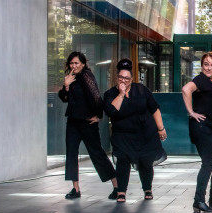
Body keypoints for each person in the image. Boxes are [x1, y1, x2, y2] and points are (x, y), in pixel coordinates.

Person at [103, 59, 167, 203]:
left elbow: (154, 109)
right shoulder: (110, 94)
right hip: (122, 135)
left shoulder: (141, 90)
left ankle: (147, 189)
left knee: (146, 162)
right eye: (121, 77)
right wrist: (121, 94)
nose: (123, 80)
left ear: (132, 79)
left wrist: (161, 128)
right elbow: (111, 111)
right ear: (117, 78)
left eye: (127, 78)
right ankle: (121, 192)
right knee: (122, 161)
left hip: (145, 134)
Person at [58, 51, 118, 200]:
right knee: (71, 154)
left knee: (97, 153)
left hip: (87, 122)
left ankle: (117, 186)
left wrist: (98, 116)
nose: (74, 66)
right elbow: (64, 98)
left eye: (76, 63)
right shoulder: (70, 78)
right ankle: (76, 189)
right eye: (71, 63)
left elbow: (96, 97)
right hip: (73, 122)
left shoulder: (86, 75)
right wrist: (66, 86)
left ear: (83, 64)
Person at [182, 52, 212, 213]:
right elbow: (186, 89)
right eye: (206, 64)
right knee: (209, 162)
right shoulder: (200, 80)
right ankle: (199, 200)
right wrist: (191, 112)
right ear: (201, 66)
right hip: (202, 127)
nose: (209, 68)